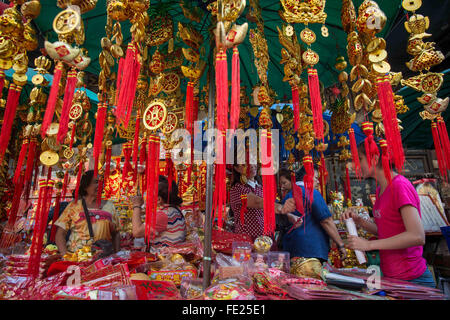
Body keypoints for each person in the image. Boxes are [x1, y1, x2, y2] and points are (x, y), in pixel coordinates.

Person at [341, 139, 435, 288]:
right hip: (393, 277)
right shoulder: (380, 189)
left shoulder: (399, 185)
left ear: (375, 158)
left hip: (412, 279)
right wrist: (361, 222)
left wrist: (369, 244)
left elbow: (417, 236)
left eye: (359, 159)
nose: (355, 165)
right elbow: (387, 232)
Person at [278, 167, 347, 263]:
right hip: (311, 250)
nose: (318, 182)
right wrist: (341, 244)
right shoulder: (311, 193)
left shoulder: (288, 196)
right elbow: (326, 220)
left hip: (292, 248)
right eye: (316, 178)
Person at [54, 170, 120, 255]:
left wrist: (117, 255)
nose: (100, 185)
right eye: (96, 182)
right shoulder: (74, 206)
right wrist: (65, 255)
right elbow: (60, 234)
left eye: (102, 182)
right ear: (85, 186)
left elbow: (116, 233)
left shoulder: (110, 206)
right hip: (77, 260)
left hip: (103, 260)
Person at [229, 163, 296, 240]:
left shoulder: (261, 187)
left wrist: (289, 216)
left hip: (266, 239)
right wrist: (282, 207)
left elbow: (270, 209)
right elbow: (258, 202)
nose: (251, 165)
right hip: (247, 240)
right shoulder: (237, 189)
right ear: (236, 168)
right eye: (244, 164)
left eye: (252, 160)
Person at [130, 175, 186, 247]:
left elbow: (137, 232)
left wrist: (136, 205)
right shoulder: (173, 209)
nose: (147, 196)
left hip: (163, 255)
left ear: (159, 199)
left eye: (149, 193)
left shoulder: (163, 214)